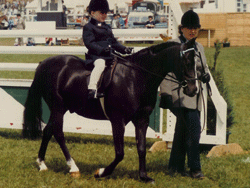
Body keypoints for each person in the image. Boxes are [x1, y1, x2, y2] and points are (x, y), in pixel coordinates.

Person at [159, 10, 211, 179]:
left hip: (194, 95)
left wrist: (205, 74)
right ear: (181, 28)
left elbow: (203, 67)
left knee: (182, 129)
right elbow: (165, 72)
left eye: (195, 28)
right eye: (189, 28)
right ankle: (195, 168)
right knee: (194, 128)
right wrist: (165, 93)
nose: (192, 31)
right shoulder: (174, 45)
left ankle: (175, 166)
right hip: (177, 94)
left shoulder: (199, 47)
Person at [83, 0, 133, 99]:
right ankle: (92, 89)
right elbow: (89, 43)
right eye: (102, 13)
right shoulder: (88, 27)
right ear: (92, 13)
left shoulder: (107, 27)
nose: (104, 15)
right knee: (100, 65)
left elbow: (113, 42)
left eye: (106, 13)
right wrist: (102, 50)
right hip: (96, 56)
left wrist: (124, 49)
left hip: (109, 55)